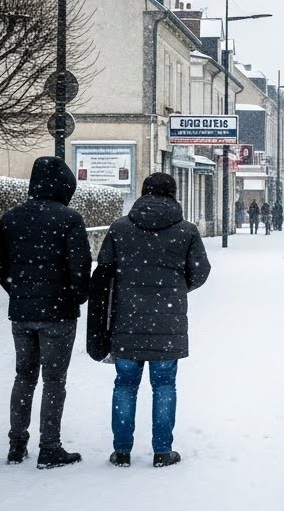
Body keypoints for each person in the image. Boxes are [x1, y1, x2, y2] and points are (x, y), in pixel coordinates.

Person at [90, 173, 211, 469]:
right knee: (165, 385)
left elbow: (104, 269)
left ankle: (121, 452)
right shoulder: (186, 231)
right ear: (173, 195)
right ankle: (162, 451)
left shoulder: (120, 228)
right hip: (168, 325)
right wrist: (176, 287)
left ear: (144, 194)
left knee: (125, 385)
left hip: (126, 321)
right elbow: (201, 271)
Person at [0, 156, 92, 469]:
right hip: (58, 314)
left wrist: (20, 292)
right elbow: (80, 267)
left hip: (21, 313)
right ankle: (49, 446)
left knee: (24, 377)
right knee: (54, 380)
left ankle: (16, 445)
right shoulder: (69, 219)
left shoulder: (11, 218)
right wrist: (75, 297)